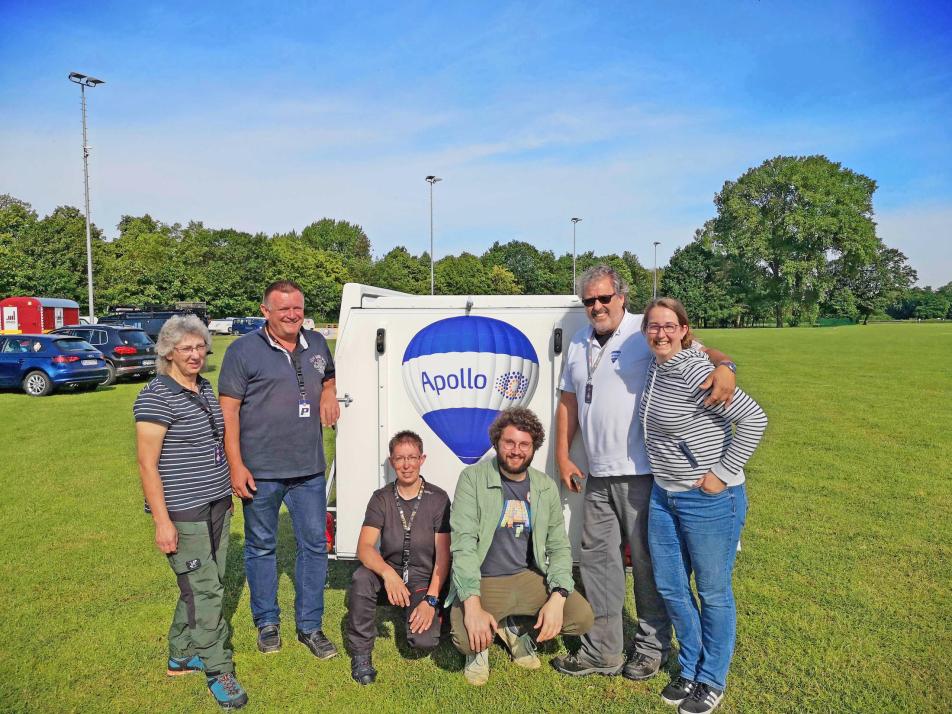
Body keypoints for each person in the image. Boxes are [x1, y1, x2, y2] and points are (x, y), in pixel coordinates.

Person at [553, 265, 738, 681]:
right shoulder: (580, 340)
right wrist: (563, 456)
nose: (597, 306)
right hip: (597, 475)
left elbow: (703, 354)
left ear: (621, 297)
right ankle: (603, 650)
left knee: (650, 568)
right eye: (589, 301)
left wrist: (728, 367)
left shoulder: (646, 328)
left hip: (642, 473)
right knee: (599, 565)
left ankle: (651, 648)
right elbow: (569, 401)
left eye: (604, 298)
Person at [638, 297, 767, 714]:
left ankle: (712, 679)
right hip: (664, 496)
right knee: (673, 588)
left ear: (684, 329)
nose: (660, 333)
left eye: (669, 326)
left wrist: (723, 473)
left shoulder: (695, 370)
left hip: (708, 498)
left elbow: (754, 419)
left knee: (712, 593)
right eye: (653, 326)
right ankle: (691, 667)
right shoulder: (657, 367)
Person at [218, 280, 341, 660]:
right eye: (283, 308)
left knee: (314, 547)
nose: (292, 315)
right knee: (261, 547)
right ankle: (267, 624)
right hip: (261, 471)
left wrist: (329, 391)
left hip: (308, 469)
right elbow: (229, 413)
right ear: (265, 310)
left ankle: (310, 627)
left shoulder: (317, 343)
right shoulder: (242, 351)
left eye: (297, 308)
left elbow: (329, 374)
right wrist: (236, 466)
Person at [133, 315, 248, 710]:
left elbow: (213, 443)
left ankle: (181, 655)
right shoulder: (155, 396)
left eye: (200, 347)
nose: (195, 354)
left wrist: (223, 491)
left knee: (205, 582)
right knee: (205, 590)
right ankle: (219, 670)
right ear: (168, 352)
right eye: (186, 348)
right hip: (184, 509)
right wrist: (162, 521)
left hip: (215, 502)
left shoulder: (203, 387)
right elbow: (147, 464)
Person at [449, 407, 594, 686]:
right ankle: (485, 641)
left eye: (524, 444)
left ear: (534, 447)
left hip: (526, 576)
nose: (516, 450)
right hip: (484, 579)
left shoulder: (544, 486)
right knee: (468, 642)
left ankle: (514, 628)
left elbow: (559, 547)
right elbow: (463, 545)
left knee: (581, 617)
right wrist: (472, 604)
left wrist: (558, 596)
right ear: (497, 443)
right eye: (509, 442)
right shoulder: (472, 479)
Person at [345, 431, 451, 685]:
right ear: (392, 461)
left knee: (423, 641)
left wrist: (431, 599)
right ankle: (361, 653)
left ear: (422, 459)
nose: (406, 465)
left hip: (422, 578)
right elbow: (365, 547)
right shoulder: (381, 497)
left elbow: (444, 556)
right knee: (361, 578)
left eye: (412, 458)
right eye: (400, 458)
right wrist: (388, 574)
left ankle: (433, 613)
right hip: (390, 573)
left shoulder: (438, 498)